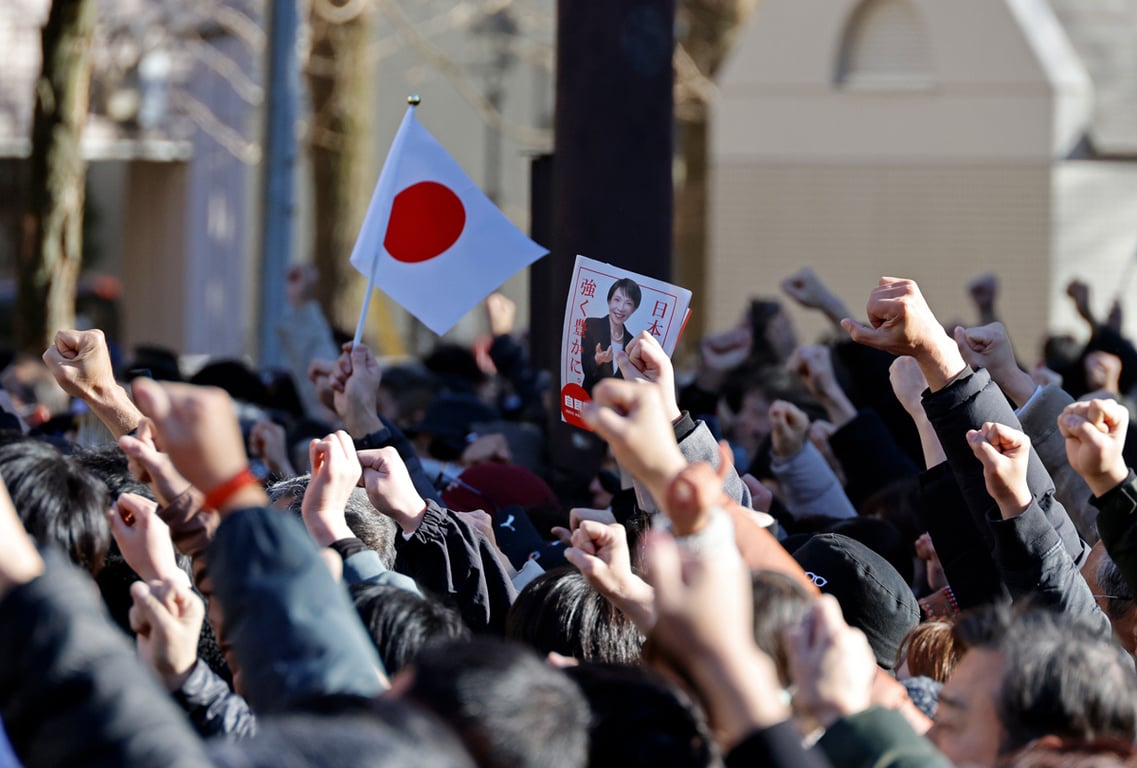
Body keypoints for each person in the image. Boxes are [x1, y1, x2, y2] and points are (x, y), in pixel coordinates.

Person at [580, 278, 642, 392]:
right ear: (609, 301)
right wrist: (597, 359)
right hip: (589, 398)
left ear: (634, 309)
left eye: (628, 303)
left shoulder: (632, 341)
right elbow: (586, 369)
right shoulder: (591, 324)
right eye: (617, 300)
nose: (621, 308)